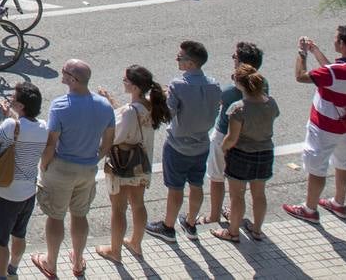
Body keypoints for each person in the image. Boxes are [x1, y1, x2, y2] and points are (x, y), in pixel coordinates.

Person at [32, 60, 115, 280]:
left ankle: (51, 262)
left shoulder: (61, 105)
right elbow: (108, 141)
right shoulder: (104, 105)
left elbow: (51, 142)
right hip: (87, 169)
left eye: (65, 72)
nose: (62, 73)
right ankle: (77, 261)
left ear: (73, 79)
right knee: (80, 214)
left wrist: (44, 164)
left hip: (61, 169)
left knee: (55, 216)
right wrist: (94, 157)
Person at [284, 25, 346, 223]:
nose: (333, 40)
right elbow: (334, 72)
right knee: (343, 163)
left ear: (342, 44)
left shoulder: (335, 72)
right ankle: (339, 204)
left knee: (317, 168)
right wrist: (316, 52)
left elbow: (301, 76)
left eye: (336, 38)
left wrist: (302, 53)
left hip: (324, 128)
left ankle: (309, 209)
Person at [146, 40, 222, 243]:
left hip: (178, 145)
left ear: (190, 63)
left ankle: (168, 227)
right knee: (196, 184)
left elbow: (168, 113)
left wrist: (160, 97)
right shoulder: (214, 85)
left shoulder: (178, 85)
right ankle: (190, 223)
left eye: (180, 58)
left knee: (175, 187)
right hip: (202, 143)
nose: (177, 60)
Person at [94, 65, 170, 265]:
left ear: (135, 87)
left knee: (118, 209)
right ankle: (136, 242)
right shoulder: (150, 105)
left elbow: (117, 133)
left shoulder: (130, 111)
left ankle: (115, 250)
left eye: (126, 81)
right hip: (141, 163)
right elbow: (128, 118)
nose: (123, 83)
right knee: (138, 203)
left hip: (122, 164)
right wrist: (110, 101)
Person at [0, 82, 48, 280]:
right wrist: (10, 118)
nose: (10, 100)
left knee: (0, 240)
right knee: (19, 234)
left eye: (13, 99)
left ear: (21, 106)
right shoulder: (44, 127)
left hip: (5, 192)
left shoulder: (11, 125)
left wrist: (6, 120)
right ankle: (12, 269)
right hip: (28, 192)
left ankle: (1, 276)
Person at [199, 42, 267, 227]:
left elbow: (213, 107)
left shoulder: (231, 92)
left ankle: (214, 216)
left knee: (217, 177)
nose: (232, 59)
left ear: (241, 63)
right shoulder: (262, 86)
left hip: (225, 137)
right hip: (251, 139)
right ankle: (246, 222)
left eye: (235, 57)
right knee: (243, 186)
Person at [211, 65, 279, 244]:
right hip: (265, 153)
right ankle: (257, 230)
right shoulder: (271, 102)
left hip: (242, 154)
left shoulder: (238, 108)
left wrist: (224, 148)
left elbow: (232, 137)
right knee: (259, 194)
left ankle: (233, 232)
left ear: (241, 84)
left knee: (237, 196)